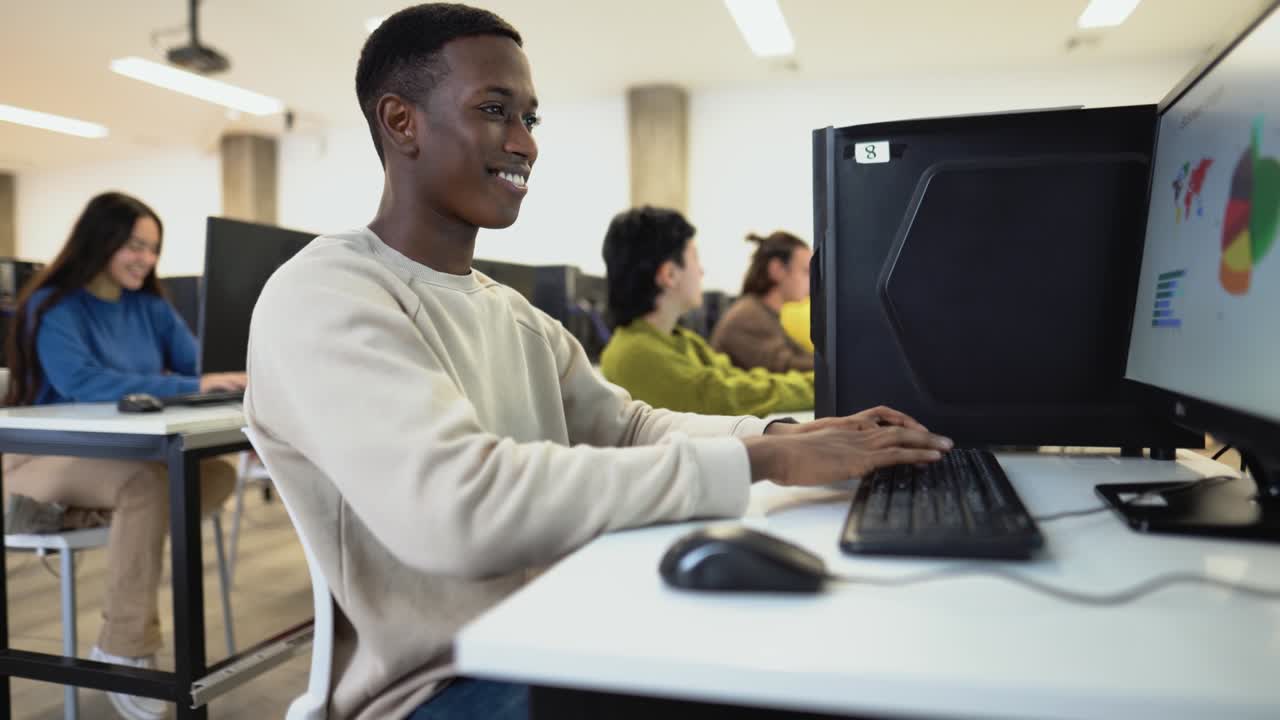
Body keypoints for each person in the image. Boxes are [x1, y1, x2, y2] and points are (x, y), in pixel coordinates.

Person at [242, 5, 952, 720]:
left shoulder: (510, 312)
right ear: (401, 122)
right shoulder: (325, 293)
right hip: (446, 682)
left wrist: (776, 437)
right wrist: (764, 465)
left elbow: (628, 427)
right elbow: (458, 507)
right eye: (496, 110)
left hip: (559, 626)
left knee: (822, 658)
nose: (525, 143)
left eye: (531, 118)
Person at [2, 191, 244, 720]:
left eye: (154, 249)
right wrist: (193, 382)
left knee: (215, 476)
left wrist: (216, 375)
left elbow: (195, 363)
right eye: (136, 245)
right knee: (150, 487)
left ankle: (69, 517)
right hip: (37, 459)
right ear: (101, 239)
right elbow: (82, 382)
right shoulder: (52, 305)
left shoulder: (150, 306)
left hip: (117, 462)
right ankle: (122, 646)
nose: (147, 259)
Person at [599, 207, 814, 416]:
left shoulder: (682, 340)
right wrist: (819, 385)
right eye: (695, 258)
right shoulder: (637, 355)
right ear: (670, 274)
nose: (701, 272)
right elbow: (725, 397)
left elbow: (738, 379)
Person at [710, 231, 814, 372]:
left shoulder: (763, 312)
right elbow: (789, 368)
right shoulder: (748, 317)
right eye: (806, 271)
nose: (812, 281)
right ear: (777, 269)